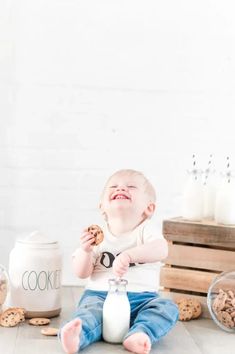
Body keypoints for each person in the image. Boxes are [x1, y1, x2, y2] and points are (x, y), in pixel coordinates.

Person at [60, 169, 179, 354]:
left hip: (143, 299)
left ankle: (140, 334)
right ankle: (78, 335)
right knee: (90, 313)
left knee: (166, 308)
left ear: (149, 208)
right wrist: (85, 251)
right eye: (114, 186)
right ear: (102, 207)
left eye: (131, 186)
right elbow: (81, 273)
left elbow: (162, 249)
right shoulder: (97, 236)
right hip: (101, 296)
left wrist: (130, 255)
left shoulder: (146, 231)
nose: (121, 188)